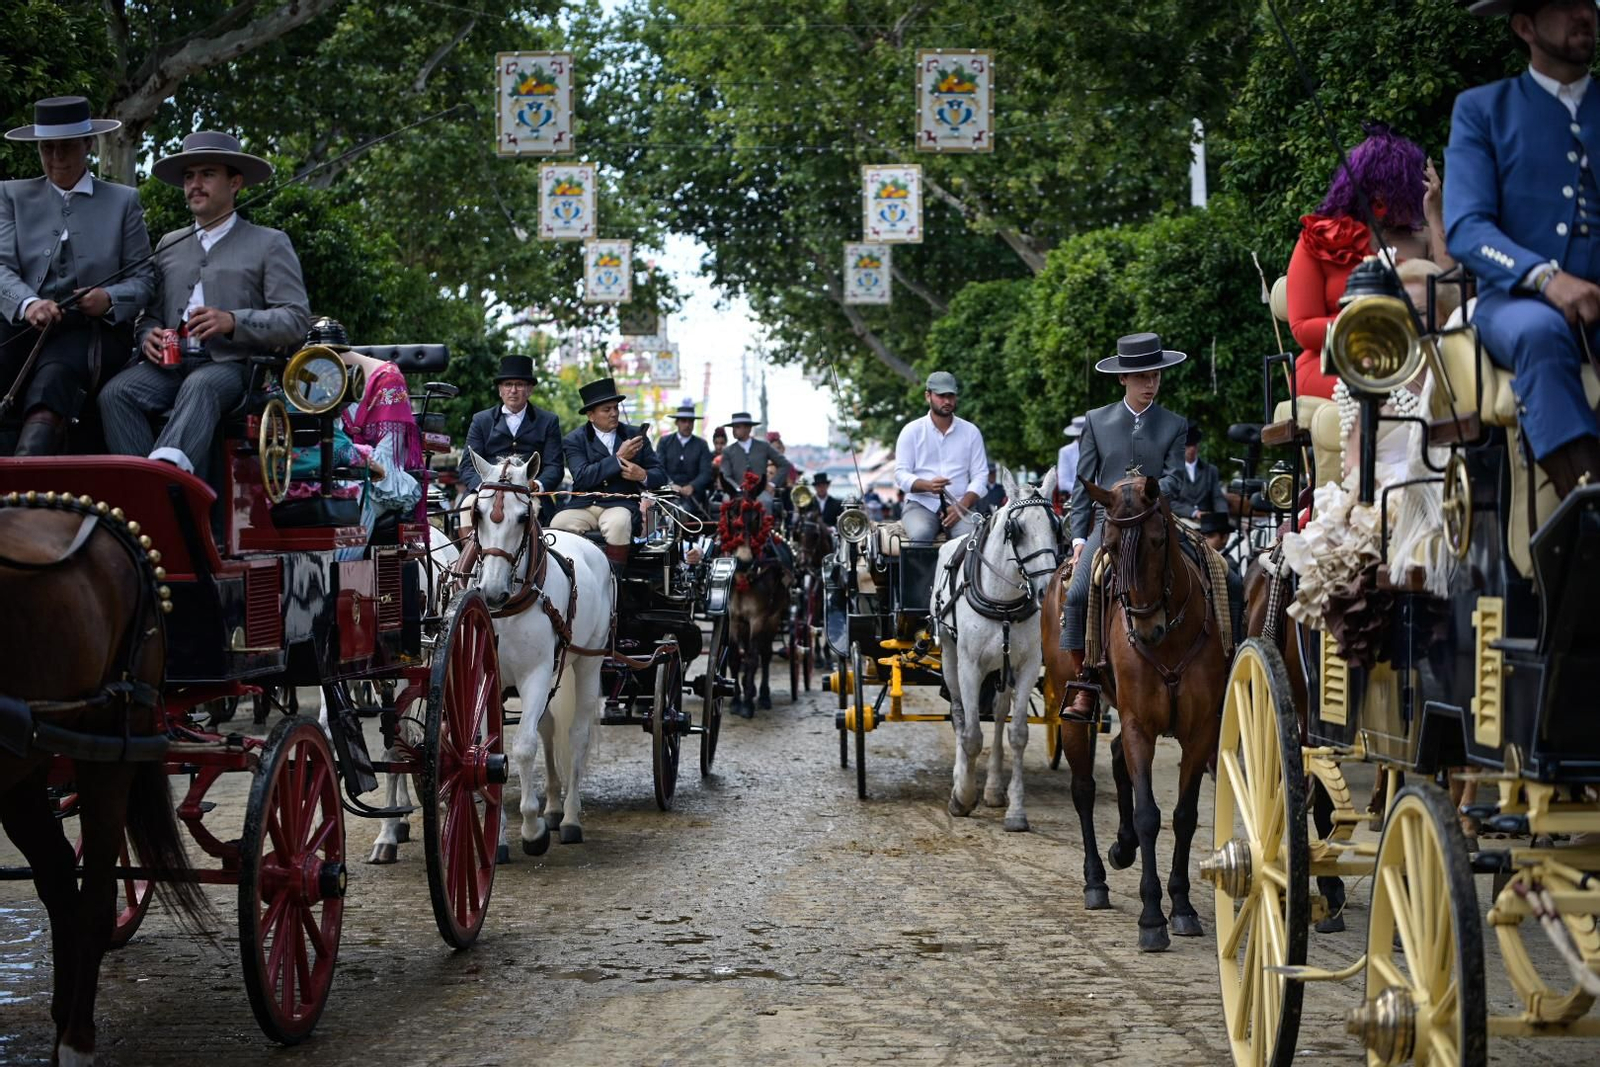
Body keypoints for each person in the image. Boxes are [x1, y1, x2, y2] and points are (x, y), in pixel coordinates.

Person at [1448, 0, 1600, 498]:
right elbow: (1467, 229)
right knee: (1540, 332)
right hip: (1516, 303)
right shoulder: (1482, 110)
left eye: (1589, 2)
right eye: (1565, 3)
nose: (1584, 14)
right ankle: (1587, 510)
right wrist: (1546, 278)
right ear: (1524, 26)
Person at [100, 131, 308, 476]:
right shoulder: (169, 243)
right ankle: (143, 486)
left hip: (232, 367)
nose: (195, 184)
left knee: (201, 386)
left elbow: (296, 318)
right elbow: (149, 314)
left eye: (207, 174)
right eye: (188, 176)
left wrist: (233, 320)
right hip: (169, 366)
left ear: (235, 182)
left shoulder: (269, 243)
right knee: (115, 394)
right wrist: (147, 334)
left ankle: (166, 478)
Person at [1, 96, 154, 455]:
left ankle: (27, 483)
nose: (57, 158)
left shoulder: (123, 201)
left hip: (91, 332)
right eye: (47, 148)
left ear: (88, 144)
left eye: (66, 147)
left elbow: (145, 279)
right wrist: (28, 303)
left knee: (54, 379)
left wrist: (109, 300)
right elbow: (2, 268)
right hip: (20, 324)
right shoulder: (10, 195)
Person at [1060, 333, 1190, 721]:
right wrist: (1080, 538)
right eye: (1142, 378)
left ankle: (1225, 661)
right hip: (1110, 523)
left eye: (1156, 377)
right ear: (1123, 379)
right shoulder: (1097, 422)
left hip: (1158, 520)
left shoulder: (1174, 424)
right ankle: (1085, 680)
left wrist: (1144, 492)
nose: (1150, 385)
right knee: (1078, 593)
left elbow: (1176, 480)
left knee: (1226, 578)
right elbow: (1084, 485)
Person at [1288, 123, 1452, 400]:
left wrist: (1434, 212)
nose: (1414, 201)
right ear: (1380, 197)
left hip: (1411, 358)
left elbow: (1452, 297)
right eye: (1409, 192)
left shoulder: (1423, 238)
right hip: (1332, 361)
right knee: (1390, 386)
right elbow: (1302, 327)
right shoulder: (1321, 238)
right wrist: (1368, 323)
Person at [551, 376, 666, 574]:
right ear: (591, 415)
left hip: (619, 504)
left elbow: (661, 475)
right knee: (557, 524)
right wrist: (618, 457)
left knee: (618, 523)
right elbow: (582, 477)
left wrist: (642, 475)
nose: (614, 413)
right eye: (607, 409)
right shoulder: (574, 439)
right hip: (584, 505)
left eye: (616, 408)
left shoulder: (635, 435)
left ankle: (614, 584)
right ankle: (571, 581)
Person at [457, 353, 563, 525]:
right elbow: (467, 466)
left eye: (519, 385)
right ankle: (474, 553)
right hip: (487, 492)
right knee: (467, 508)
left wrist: (535, 484)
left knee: (535, 515)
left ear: (530, 390)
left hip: (529, 494)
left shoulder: (548, 421)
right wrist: (484, 488)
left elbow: (555, 466)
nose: (513, 390)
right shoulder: (481, 420)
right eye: (508, 384)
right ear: (500, 390)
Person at [893, 370, 988, 542]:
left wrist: (962, 506)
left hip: (961, 505)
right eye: (941, 395)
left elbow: (980, 476)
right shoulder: (911, 431)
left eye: (951, 396)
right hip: (921, 505)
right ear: (928, 396)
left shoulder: (971, 432)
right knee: (921, 535)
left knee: (973, 540)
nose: (947, 401)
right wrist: (927, 485)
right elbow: (900, 474)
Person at [657, 398, 715, 518]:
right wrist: (670, 485)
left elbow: (706, 472)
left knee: (685, 510)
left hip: (694, 494)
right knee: (666, 509)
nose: (687, 425)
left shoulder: (701, 444)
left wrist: (692, 486)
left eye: (690, 421)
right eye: (683, 421)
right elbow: (659, 467)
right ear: (676, 423)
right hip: (668, 492)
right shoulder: (664, 442)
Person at [720, 411, 791, 501]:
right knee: (726, 501)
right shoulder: (728, 451)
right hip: (735, 493)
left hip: (760, 492)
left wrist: (772, 484)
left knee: (766, 501)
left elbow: (784, 464)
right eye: (733, 427)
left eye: (737, 427)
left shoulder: (764, 446)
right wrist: (737, 489)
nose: (734, 430)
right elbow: (726, 476)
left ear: (748, 428)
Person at [1170, 425, 1228, 521]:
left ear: (1198, 446)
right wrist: (1194, 512)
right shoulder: (1172, 471)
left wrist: (1222, 516)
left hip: (1207, 520)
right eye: (1188, 446)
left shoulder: (1211, 470)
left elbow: (1217, 497)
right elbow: (1169, 501)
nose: (1191, 449)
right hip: (1182, 520)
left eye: (1194, 445)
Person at [1055, 416, 1085, 514]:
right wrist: (1086, 489)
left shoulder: (1098, 449)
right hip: (1076, 498)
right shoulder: (1065, 452)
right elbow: (1063, 483)